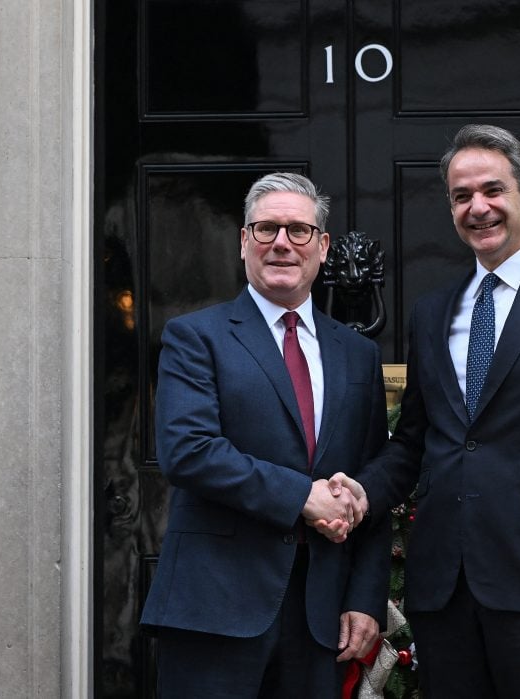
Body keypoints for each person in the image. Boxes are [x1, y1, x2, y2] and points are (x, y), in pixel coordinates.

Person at [329, 124, 520, 697]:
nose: (478, 207)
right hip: (444, 589)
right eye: (461, 196)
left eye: (492, 191)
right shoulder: (433, 311)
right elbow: (415, 442)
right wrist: (362, 493)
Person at [140, 172, 390, 697]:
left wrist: (366, 598)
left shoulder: (358, 355)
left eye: (298, 231)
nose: (281, 243)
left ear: (322, 248)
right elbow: (188, 451)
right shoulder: (196, 337)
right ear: (243, 242)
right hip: (214, 609)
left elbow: (371, 480)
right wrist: (303, 496)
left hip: (320, 617)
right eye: (266, 229)